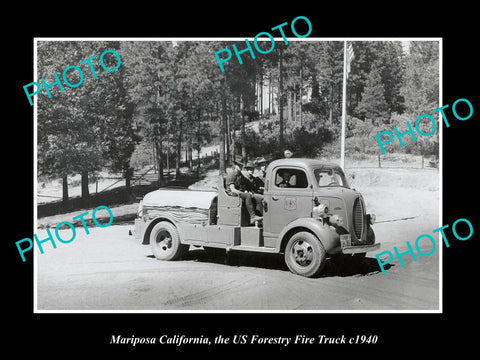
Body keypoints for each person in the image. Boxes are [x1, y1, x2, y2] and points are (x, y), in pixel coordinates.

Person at [225, 159, 263, 224]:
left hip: (239, 193)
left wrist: (247, 191)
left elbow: (244, 185)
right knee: (248, 196)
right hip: (232, 194)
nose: (240, 167)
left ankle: (259, 218)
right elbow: (232, 189)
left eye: (241, 165)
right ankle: (253, 217)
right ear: (235, 165)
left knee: (258, 198)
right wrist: (244, 193)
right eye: (238, 165)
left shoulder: (240, 175)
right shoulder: (232, 175)